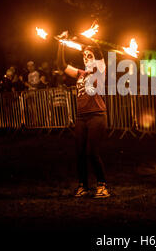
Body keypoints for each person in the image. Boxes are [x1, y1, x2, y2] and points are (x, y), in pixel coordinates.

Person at [59, 43, 110, 198]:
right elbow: (61, 65)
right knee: (80, 153)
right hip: (81, 117)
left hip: (97, 115)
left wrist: (90, 40)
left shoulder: (100, 70)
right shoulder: (80, 73)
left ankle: (102, 186)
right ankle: (83, 186)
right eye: (84, 55)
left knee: (92, 152)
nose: (86, 58)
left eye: (90, 55)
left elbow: (100, 55)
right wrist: (61, 45)